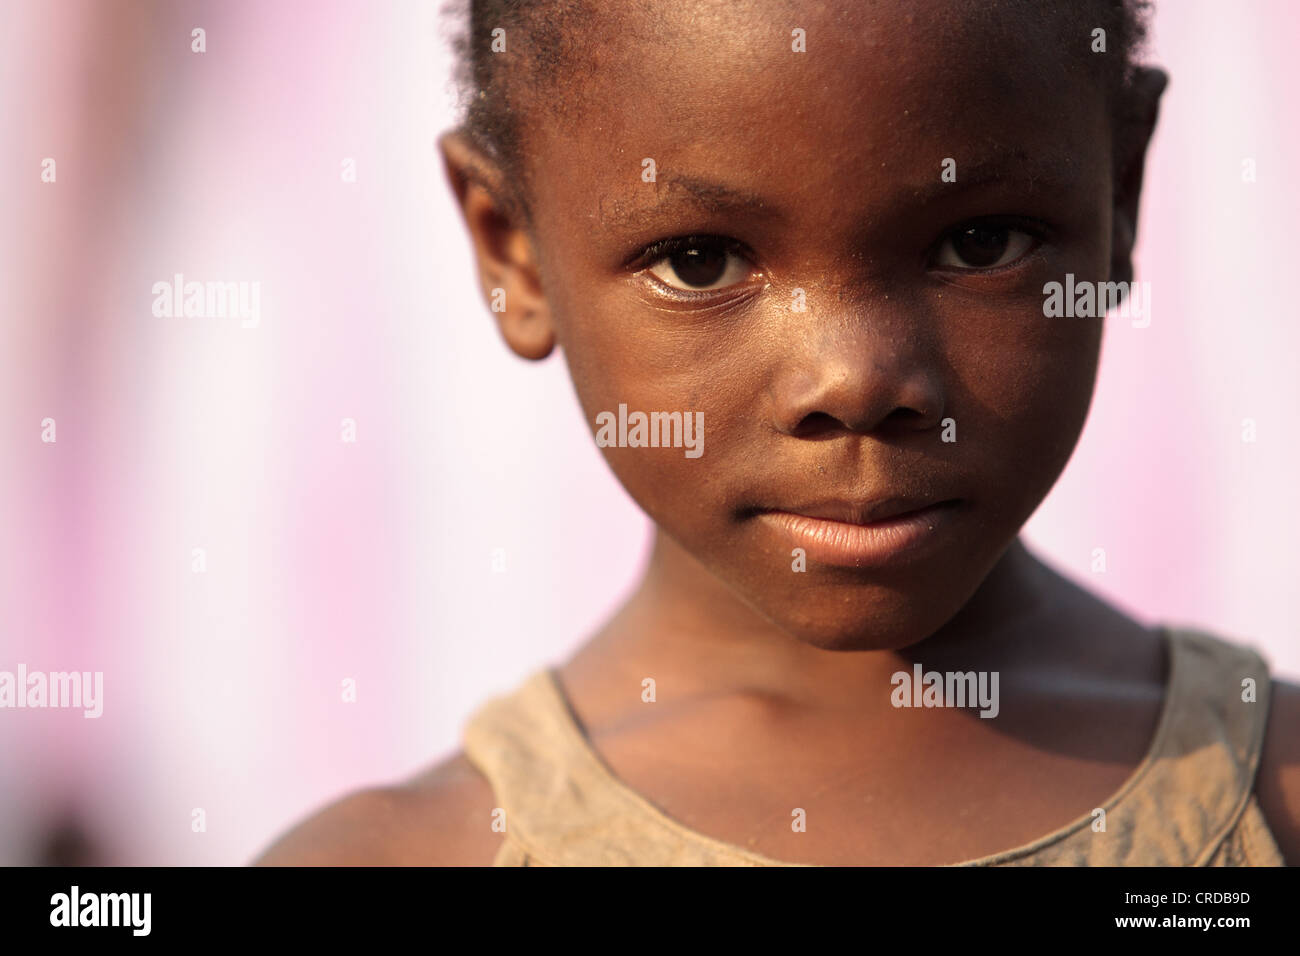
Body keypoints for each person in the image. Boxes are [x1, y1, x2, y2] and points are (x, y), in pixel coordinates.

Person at [256, 0, 1299, 866]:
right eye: (700, 260)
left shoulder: (1274, 795)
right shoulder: (406, 855)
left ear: (1119, 195)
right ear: (513, 249)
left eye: (982, 241)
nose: (852, 380)